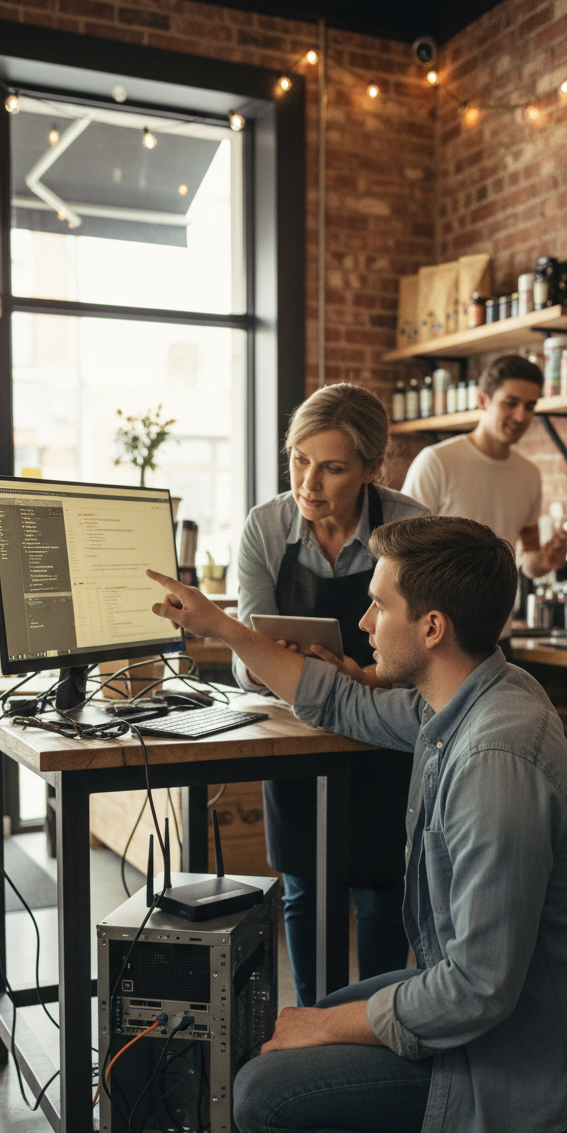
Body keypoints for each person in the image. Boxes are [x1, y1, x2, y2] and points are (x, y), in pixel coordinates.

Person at [147, 518, 567, 1133]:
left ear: (433, 627)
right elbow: (335, 696)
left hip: (534, 1041)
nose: (365, 624)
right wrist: (221, 626)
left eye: (379, 607)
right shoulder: (474, 695)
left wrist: (330, 1028)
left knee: (267, 1099)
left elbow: (476, 992)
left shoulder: (492, 763)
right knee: (320, 1016)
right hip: (534, 1013)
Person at [233, 382, 428, 1006]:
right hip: (299, 738)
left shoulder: (411, 527)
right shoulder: (264, 529)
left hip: (385, 732)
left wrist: (365, 675)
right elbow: (244, 664)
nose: (308, 482)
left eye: (333, 467)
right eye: (298, 459)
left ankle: (373, 1029)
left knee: (379, 889)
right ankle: (319, 1025)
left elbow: (429, 652)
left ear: (373, 469)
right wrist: (277, 666)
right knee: (305, 889)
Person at [401, 353, 567, 659]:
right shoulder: (436, 462)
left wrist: (546, 561)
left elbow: (528, 559)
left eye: (530, 406)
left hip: (498, 640)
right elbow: (401, 555)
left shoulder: (529, 474)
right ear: (482, 400)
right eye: (511, 402)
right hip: (439, 641)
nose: (521, 416)